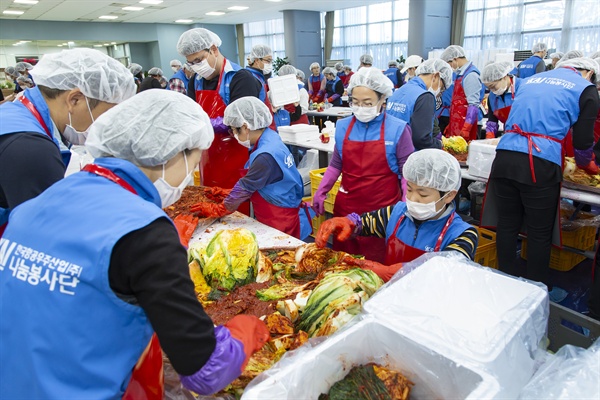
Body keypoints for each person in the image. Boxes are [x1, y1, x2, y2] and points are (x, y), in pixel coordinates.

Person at [0, 89, 269, 398]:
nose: (191, 174)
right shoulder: (145, 232)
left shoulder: (40, 201)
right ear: (172, 155)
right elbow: (204, 372)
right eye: (193, 162)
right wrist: (244, 332)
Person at [481, 57, 599, 304]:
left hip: (504, 157)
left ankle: (504, 282)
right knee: (539, 233)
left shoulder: (530, 81)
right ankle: (534, 293)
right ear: (588, 72)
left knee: (507, 224)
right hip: (539, 163)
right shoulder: (585, 89)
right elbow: (582, 143)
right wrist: (588, 166)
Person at [0, 48, 135, 236]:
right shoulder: (30, 147)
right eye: (107, 116)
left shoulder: (18, 114)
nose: (106, 126)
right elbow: (49, 234)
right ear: (75, 99)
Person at [315, 149, 478, 282]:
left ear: (449, 195)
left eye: (423, 194)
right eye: (411, 190)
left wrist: (402, 272)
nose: (413, 199)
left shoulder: (463, 234)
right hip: (390, 298)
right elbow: (365, 223)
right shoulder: (397, 213)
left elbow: (449, 269)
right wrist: (349, 223)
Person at [312, 67, 414, 262]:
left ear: (383, 99)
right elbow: (336, 163)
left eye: (367, 103)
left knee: (376, 268)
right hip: (346, 209)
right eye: (355, 102)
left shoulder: (398, 129)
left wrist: (406, 206)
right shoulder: (343, 126)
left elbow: (407, 173)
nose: (361, 108)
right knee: (343, 265)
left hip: (381, 213)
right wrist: (321, 191)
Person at [194, 96, 310, 239]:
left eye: (234, 131)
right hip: (282, 202)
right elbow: (259, 182)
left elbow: (246, 187)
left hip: (279, 218)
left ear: (244, 126)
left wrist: (216, 209)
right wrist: (225, 193)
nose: (234, 135)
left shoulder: (265, 156)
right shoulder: (271, 137)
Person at [177, 27, 262, 190]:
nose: (196, 67)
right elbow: (191, 113)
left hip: (238, 158)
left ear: (214, 49)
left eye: (199, 60)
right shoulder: (196, 80)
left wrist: (205, 124)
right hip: (208, 158)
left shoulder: (240, 78)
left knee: (237, 208)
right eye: (191, 63)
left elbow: (242, 122)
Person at [386, 59, 452, 150]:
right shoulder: (425, 97)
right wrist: (439, 145)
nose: (439, 93)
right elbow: (421, 139)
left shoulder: (399, 91)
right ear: (436, 76)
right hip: (410, 154)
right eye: (442, 88)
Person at [440, 45, 485, 141]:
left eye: (449, 64)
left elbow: (473, 105)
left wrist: (466, 128)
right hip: (457, 122)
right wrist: (451, 124)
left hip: (467, 124)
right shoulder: (460, 74)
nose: (450, 67)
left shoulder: (470, 75)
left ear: (455, 59)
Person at [481, 61, 521, 139]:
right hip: (507, 135)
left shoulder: (522, 88)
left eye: (493, 86)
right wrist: (489, 136)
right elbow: (492, 121)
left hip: (525, 137)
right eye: (489, 88)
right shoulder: (492, 97)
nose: (492, 90)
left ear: (504, 77)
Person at [245, 44, 278, 131]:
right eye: (268, 61)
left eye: (271, 61)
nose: (270, 64)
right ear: (256, 60)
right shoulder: (249, 78)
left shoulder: (259, 77)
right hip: (258, 128)